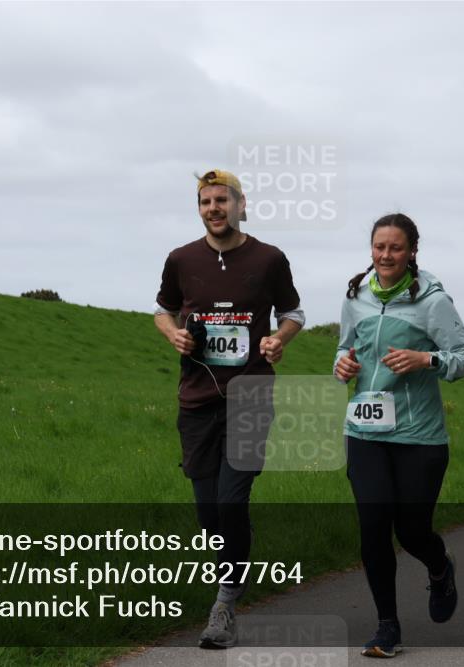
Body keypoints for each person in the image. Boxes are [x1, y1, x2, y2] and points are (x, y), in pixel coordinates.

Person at [153, 169, 304, 649]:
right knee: (208, 512)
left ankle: (225, 603)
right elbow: (162, 309)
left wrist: (279, 340)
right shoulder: (181, 259)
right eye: (205, 201)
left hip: (251, 397)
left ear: (242, 204)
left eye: (222, 200)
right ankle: (235, 551)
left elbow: (294, 313)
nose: (214, 208)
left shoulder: (269, 258)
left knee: (230, 499)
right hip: (196, 400)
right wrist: (172, 332)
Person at [333, 213, 464, 658]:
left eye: (395, 248)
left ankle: (439, 567)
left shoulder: (432, 301)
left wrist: (425, 360)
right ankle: (387, 627)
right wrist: (342, 364)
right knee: (374, 528)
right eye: (379, 247)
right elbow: (345, 345)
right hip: (366, 429)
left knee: (412, 531)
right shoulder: (356, 294)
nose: (386, 255)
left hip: (418, 436)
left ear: (413, 250)